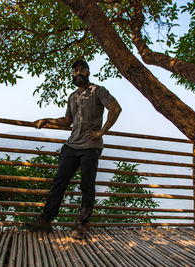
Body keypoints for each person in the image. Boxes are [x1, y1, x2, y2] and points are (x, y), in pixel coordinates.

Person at [24, 59, 122, 239]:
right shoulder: (72, 96)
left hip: (90, 147)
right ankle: (46, 221)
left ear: (88, 73)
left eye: (81, 70)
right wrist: (47, 119)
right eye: (75, 71)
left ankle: (81, 226)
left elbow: (115, 108)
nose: (78, 73)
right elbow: (67, 120)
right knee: (58, 183)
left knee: (87, 186)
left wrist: (101, 132)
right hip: (71, 146)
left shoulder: (98, 91)